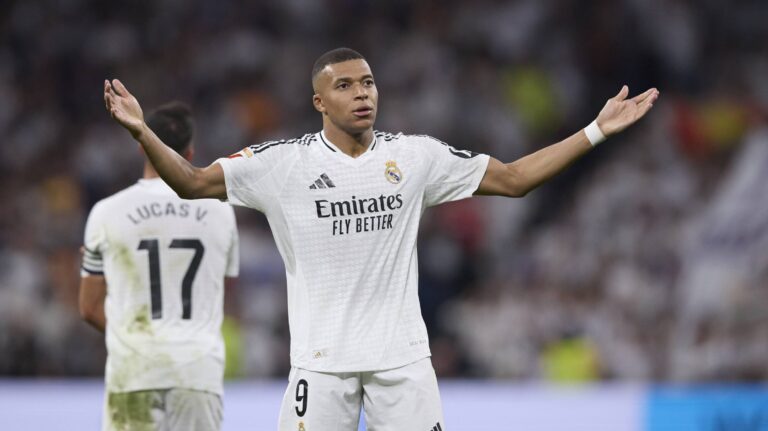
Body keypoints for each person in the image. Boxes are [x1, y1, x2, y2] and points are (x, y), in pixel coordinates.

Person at [103, 48, 658, 430]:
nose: (361, 94)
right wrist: (141, 131)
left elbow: (513, 180)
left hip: (403, 362)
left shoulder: (414, 156)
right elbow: (194, 184)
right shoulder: (282, 164)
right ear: (319, 102)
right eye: (343, 86)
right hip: (320, 364)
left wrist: (596, 130)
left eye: (367, 82)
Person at [80, 102, 240, 431]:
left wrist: (133, 334)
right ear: (191, 151)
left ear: (142, 145)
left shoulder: (106, 213)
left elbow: (89, 307)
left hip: (134, 371)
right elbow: (221, 292)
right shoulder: (221, 211)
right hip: (197, 371)